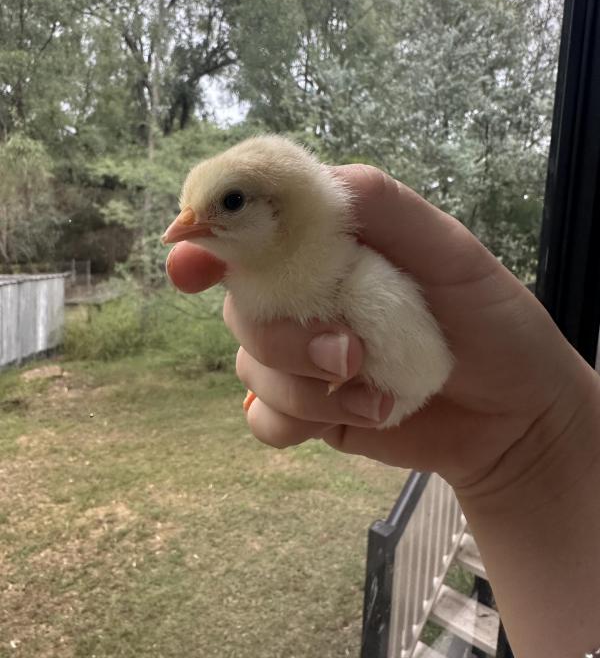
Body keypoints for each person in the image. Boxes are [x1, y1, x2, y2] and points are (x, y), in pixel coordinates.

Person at [166, 164, 600, 658]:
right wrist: (532, 439)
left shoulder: (350, 274)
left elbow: (423, 372)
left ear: (283, 210)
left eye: (232, 203)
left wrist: (532, 434)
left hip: (404, 392)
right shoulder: (297, 268)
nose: (185, 226)